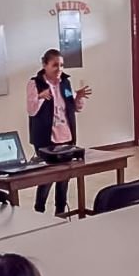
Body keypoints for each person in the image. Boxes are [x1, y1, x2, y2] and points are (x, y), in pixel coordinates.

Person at [27, 49, 91, 216]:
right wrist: (41, 97)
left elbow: (73, 107)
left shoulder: (65, 83)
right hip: (45, 139)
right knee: (47, 177)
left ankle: (60, 211)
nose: (59, 69)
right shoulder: (35, 84)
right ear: (45, 65)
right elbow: (31, 110)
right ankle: (39, 210)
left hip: (66, 136)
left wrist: (79, 98)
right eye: (55, 65)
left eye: (61, 65)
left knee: (64, 177)